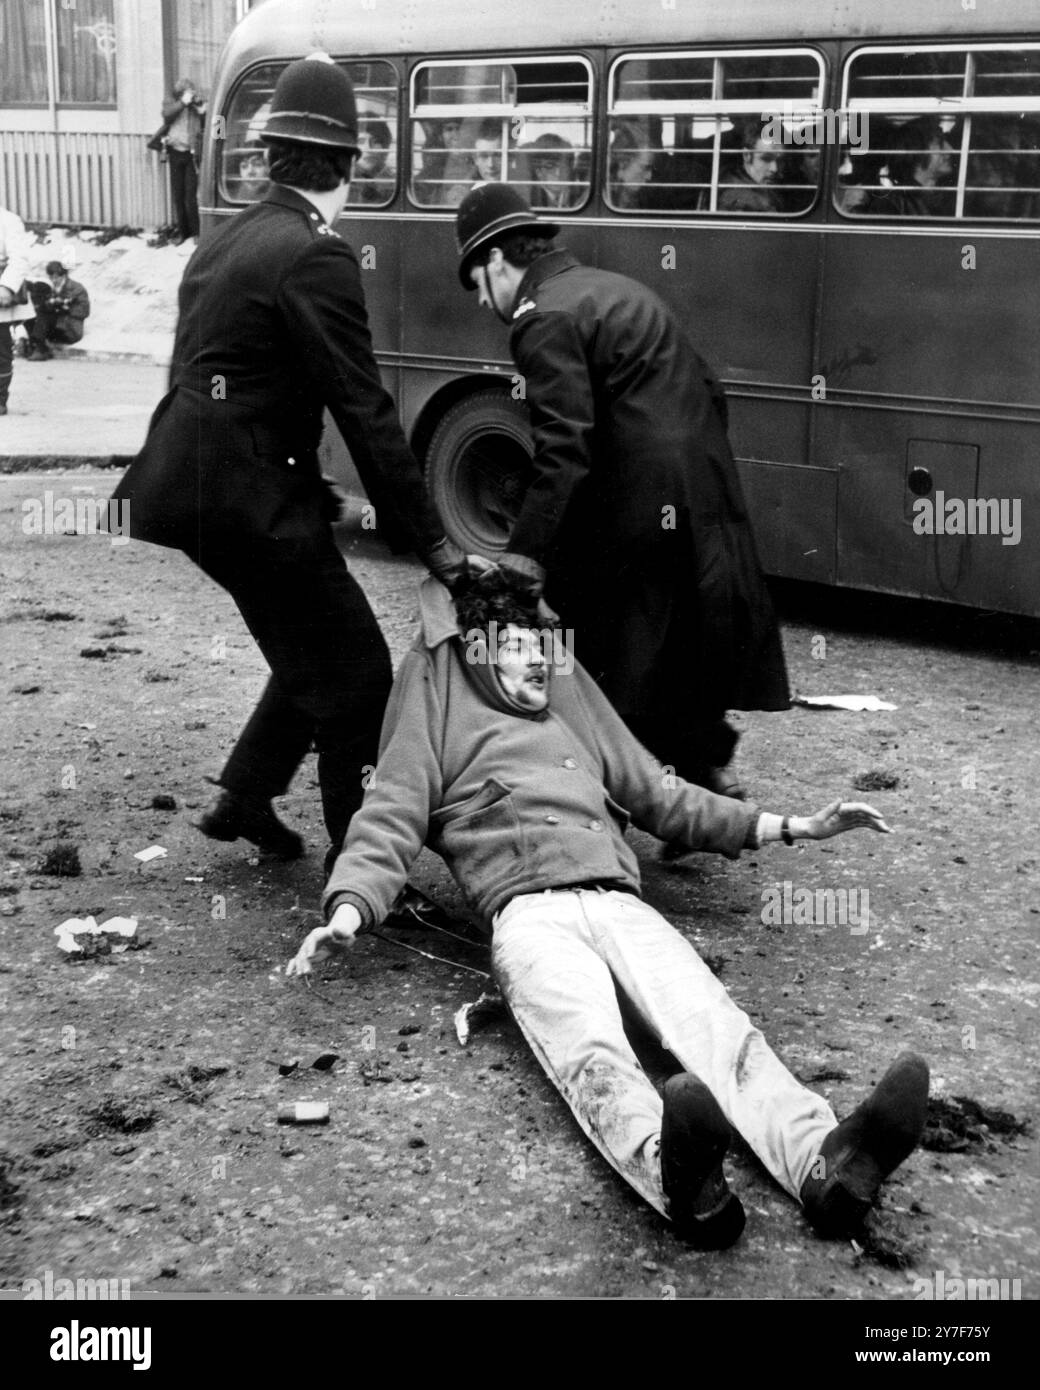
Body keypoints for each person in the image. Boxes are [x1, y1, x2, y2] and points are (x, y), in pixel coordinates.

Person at [288, 574, 930, 1249]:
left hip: (618, 902)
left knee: (717, 1027)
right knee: (590, 1052)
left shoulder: (568, 704)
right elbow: (389, 809)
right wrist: (351, 910)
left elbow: (664, 794)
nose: (541, 658)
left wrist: (795, 825)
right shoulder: (437, 703)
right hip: (526, 916)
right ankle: (681, 1182)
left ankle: (827, 1164)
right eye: (518, 645)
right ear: (477, 651)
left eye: (544, 645)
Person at [112, 55, 488, 870]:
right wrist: (440, 549)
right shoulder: (317, 255)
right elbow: (365, 411)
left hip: (193, 489)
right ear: (352, 164)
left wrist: (307, 487)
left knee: (311, 640)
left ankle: (245, 797)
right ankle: (364, 873)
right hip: (248, 500)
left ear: (270, 155)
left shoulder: (232, 236)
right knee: (356, 675)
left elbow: (230, 378)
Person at [453, 184, 789, 799]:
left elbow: (563, 445)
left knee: (598, 656)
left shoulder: (542, 317)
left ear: (498, 259)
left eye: (478, 282)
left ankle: (606, 803)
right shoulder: (620, 288)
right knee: (675, 640)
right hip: (702, 492)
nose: (483, 301)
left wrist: (525, 555)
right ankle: (704, 776)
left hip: (632, 506)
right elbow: (712, 390)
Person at [863, 118, 956, 218]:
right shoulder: (890, 206)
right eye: (940, 144)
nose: (950, 150)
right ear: (917, 153)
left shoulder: (947, 197)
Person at [162, 76, 207, 243]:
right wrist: (182, 103)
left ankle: (196, 234)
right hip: (175, 152)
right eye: (186, 92)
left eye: (191, 91)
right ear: (179, 93)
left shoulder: (196, 105)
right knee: (178, 196)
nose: (190, 94)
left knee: (190, 196)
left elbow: (213, 124)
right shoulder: (171, 102)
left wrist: (203, 111)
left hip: (191, 154)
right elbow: (166, 116)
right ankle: (183, 233)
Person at [0, 204, 34, 416]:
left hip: (0, 293)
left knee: (0, 350)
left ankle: (0, 399)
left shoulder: (8, 220)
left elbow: (19, 258)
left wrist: (6, 286)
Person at [25, 261, 90, 360]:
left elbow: (85, 310)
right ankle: (36, 346)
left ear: (64, 275)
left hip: (69, 329)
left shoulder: (77, 288)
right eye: (51, 277)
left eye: (57, 277)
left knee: (43, 316)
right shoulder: (49, 287)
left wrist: (66, 308)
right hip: (54, 326)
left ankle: (41, 349)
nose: (54, 280)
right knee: (29, 316)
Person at [717, 120, 785, 212]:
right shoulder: (739, 201)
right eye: (766, 159)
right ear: (747, 155)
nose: (774, 168)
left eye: (779, 160)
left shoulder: (757, 187)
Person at [523, 132, 579, 209]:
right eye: (550, 167)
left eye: (563, 167)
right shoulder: (529, 198)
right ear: (538, 171)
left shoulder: (578, 197)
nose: (558, 173)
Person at [350, 120, 394, 204]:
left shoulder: (393, 185)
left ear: (386, 146)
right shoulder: (339, 184)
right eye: (361, 141)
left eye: (376, 141)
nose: (368, 148)